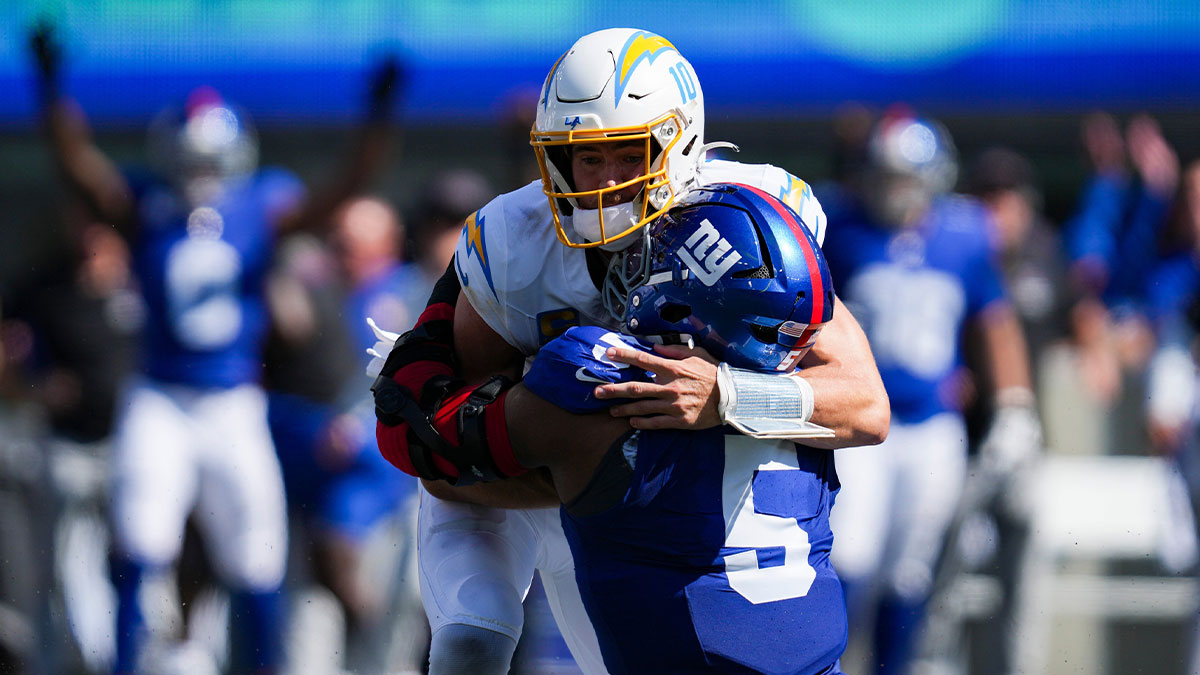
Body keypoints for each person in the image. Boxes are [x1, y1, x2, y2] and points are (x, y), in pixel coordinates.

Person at [369, 27, 888, 675]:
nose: (607, 181)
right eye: (587, 157)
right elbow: (451, 448)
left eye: (628, 153)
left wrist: (725, 396)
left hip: (698, 505)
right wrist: (578, 459)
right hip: (545, 471)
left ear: (678, 146)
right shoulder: (514, 240)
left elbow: (865, 405)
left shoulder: (745, 228)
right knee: (471, 646)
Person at [29, 21, 402, 673]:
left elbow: (341, 189)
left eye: (211, 159)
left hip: (233, 399)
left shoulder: (261, 205)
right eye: (191, 158)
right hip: (161, 394)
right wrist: (50, 86)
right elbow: (78, 167)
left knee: (256, 552)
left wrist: (378, 113)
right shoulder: (145, 204)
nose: (201, 172)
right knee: (139, 539)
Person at [819, 112, 1042, 675]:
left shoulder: (964, 236)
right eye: (884, 175)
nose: (892, 190)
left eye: (903, 177)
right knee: (848, 554)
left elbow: (994, 322)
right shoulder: (840, 230)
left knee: (910, 571)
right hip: (858, 427)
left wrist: (1014, 402)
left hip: (932, 426)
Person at [263, 195, 425, 673]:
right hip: (311, 475)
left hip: (383, 486)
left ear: (388, 245)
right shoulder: (320, 290)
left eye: (352, 243)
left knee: (384, 624)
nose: (341, 252)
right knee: (306, 619)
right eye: (336, 242)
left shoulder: (413, 295)